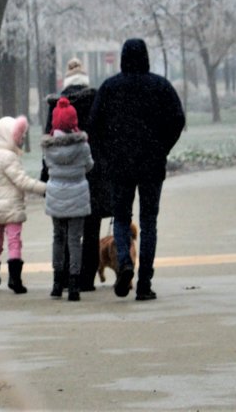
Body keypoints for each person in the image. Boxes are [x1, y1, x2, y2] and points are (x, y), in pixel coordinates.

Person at [89, 37, 185, 301]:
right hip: (151, 165)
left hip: (119, 165)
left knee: (121, 218)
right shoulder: (161, 87)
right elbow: (178, 119)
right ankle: (144, 283)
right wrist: (162, 147)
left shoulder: (110, 88)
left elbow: (94, 125)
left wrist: (107, 155)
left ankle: (124, 262)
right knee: (149, 222)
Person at [44, 56, 106, 290]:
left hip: (60, 176)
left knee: (62, 232)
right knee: (90, 228)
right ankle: (86, 278)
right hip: (92, 172)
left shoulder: (56, 105)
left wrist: (46, 176)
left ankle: (63, 276)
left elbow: (48, 142)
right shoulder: (96, 100)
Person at [0, 114, 48, 293]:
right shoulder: (9, 157)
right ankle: (14, 279)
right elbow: (21, 181)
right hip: (11, 206)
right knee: (14, 241)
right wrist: (44, 187)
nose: (19, 140)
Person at [41, 99, 93, 301]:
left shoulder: (49, 148)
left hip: (56, 195)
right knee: (75, 240)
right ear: (74, 121)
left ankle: (56, 283)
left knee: (58, 238)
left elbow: (47, 168)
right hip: (78, 195)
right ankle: (74, 285)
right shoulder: (82, 146)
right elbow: (89, 166)